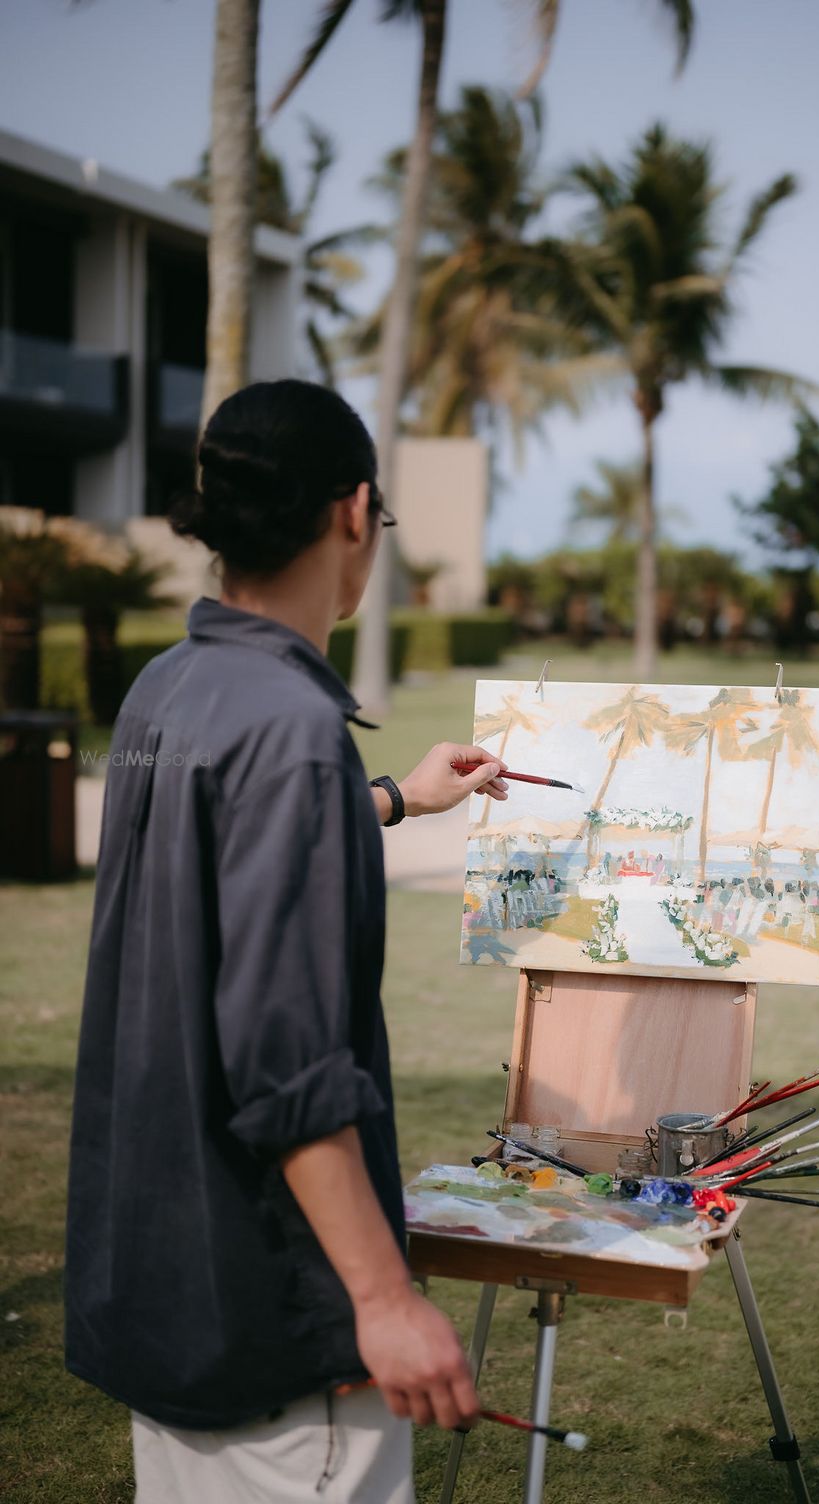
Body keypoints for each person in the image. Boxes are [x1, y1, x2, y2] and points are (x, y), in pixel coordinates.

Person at [63, 380, 510, 1503]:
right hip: (271, 1315)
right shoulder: (292, 727)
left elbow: (223, 855)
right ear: (354, 511)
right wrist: (386, 1299)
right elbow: (289, 1068)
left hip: (159, 1290)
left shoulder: (167, 689)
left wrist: (395, 800)